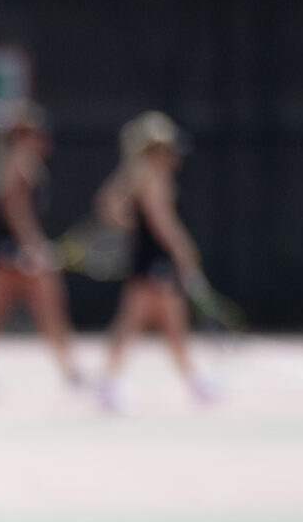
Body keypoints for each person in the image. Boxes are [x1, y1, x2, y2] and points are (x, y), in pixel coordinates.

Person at [92, 111, 215, 413]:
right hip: (154, 262)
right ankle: (108, 383)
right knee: (137, 325)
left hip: (148, 260)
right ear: (155, 148)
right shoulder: (152, 178)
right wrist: (185, 254)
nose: (174, 154)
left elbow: (107, 205)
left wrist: (126, 223)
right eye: (168, 148)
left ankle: (194, 382)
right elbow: (164, 225)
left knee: (164, 326)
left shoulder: (138, 174)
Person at [0, 99, 80, 393]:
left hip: (14, 250)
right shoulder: (17, 161)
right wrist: (33, 246)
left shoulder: (27, 162)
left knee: (45, 309)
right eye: (32, 133)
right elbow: (14, 208)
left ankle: (69, 370)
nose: (40, 138)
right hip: (7, 250)